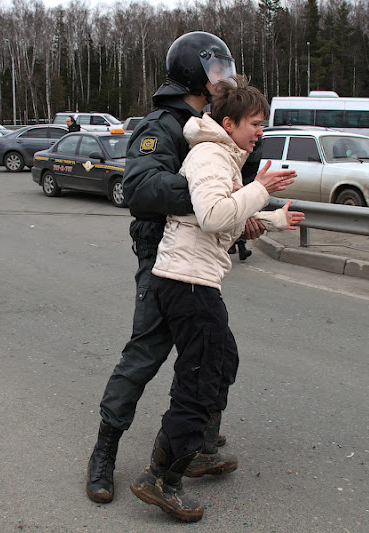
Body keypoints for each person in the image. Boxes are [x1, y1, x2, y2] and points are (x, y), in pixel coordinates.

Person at [86, 31, 296, 505]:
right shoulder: (162, 126)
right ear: (194, 72)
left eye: (226, 68)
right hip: (165, 261)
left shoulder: (213, 124)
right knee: (145, 357)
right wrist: (211, 203)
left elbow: (231, 194)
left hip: (203, 258)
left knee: (219, 358)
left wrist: (243, 214)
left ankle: (198, 445)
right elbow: (141, 188)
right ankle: (104, 451)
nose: (224, 77)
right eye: (216, 69)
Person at [130, 74, 304, 522]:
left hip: (195, 278)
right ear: (229, 122)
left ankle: (198, 452)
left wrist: (272, 219)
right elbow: (210, 216)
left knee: (222, 360)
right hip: (187, 281)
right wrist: (260, 188)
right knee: (200, 377)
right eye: (255, 124)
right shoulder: (210, 155)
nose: (260, 133)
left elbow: (225, 219)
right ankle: (162, 477)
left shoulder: (222, 153)